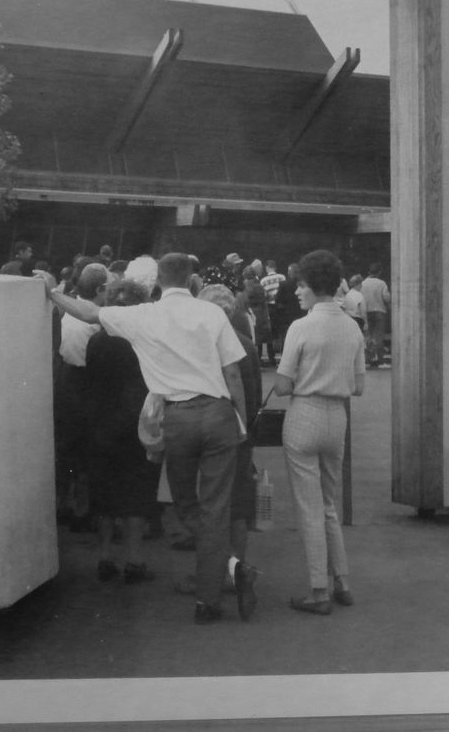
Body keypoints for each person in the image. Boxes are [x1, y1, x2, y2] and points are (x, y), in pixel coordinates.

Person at [48, 253, 256, 625]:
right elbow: (233, 374)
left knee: (184, 504)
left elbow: (88, 313)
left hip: (177, 419)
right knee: (215, 507)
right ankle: (211, 597)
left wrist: (52, 292)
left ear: (159, 280)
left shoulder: (144, 316)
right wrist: (240, 421)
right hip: (219, 413)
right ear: (191, 277)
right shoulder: (212, 314)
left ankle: (227, 570)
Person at [276, 249, 365, 615]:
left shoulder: (300, 327)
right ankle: (342, 580)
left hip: (305, 414)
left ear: (312, 286)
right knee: (329, 504)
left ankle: (317, 589)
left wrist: (301, 378)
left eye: (300, 285)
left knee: (309, 507)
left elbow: (282, 386)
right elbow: (359, 387)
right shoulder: (352, 326)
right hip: (337, 417)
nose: (297, 291)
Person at [83, 280, 160, 585]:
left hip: (101, 426)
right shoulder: (144, 341)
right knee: (137, 496)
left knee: (104, 496)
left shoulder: (97, 341)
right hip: (137, 425)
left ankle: (105, 557)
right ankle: (134, 561)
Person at [198, 284, 263, 587]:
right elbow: (255, 394)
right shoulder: (247, 344)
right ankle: (239, 566)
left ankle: (214, 572)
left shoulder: (200, 346)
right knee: (238, 505)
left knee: (211, 504)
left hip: (210, 432)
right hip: (242, 432)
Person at [56, 262, 111, 531]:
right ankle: (81, 510)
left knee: (67, 451)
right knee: (86, 455)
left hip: (67, 381)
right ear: (100, 289)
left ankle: (63, 505)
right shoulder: (96, 318)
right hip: (87, 384)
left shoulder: (68, 310)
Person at [360, 264, 391, 368]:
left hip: (366, 311)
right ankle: (380, 361)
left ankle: (368, 360)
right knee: (378, 336)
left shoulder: (363, 284)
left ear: (368, 272)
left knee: (367, 335)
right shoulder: (382, 283)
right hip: (379, 311)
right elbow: (386, 298)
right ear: (379, 272)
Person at [242, 268, 273, 365]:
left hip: (253, 313)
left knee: (257, 338)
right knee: (267, 338)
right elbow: (266, 298)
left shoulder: (248, 287)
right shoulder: (260, 286)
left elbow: (245, 300)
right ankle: (271, 359)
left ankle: (258, 361)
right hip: (262, 313)